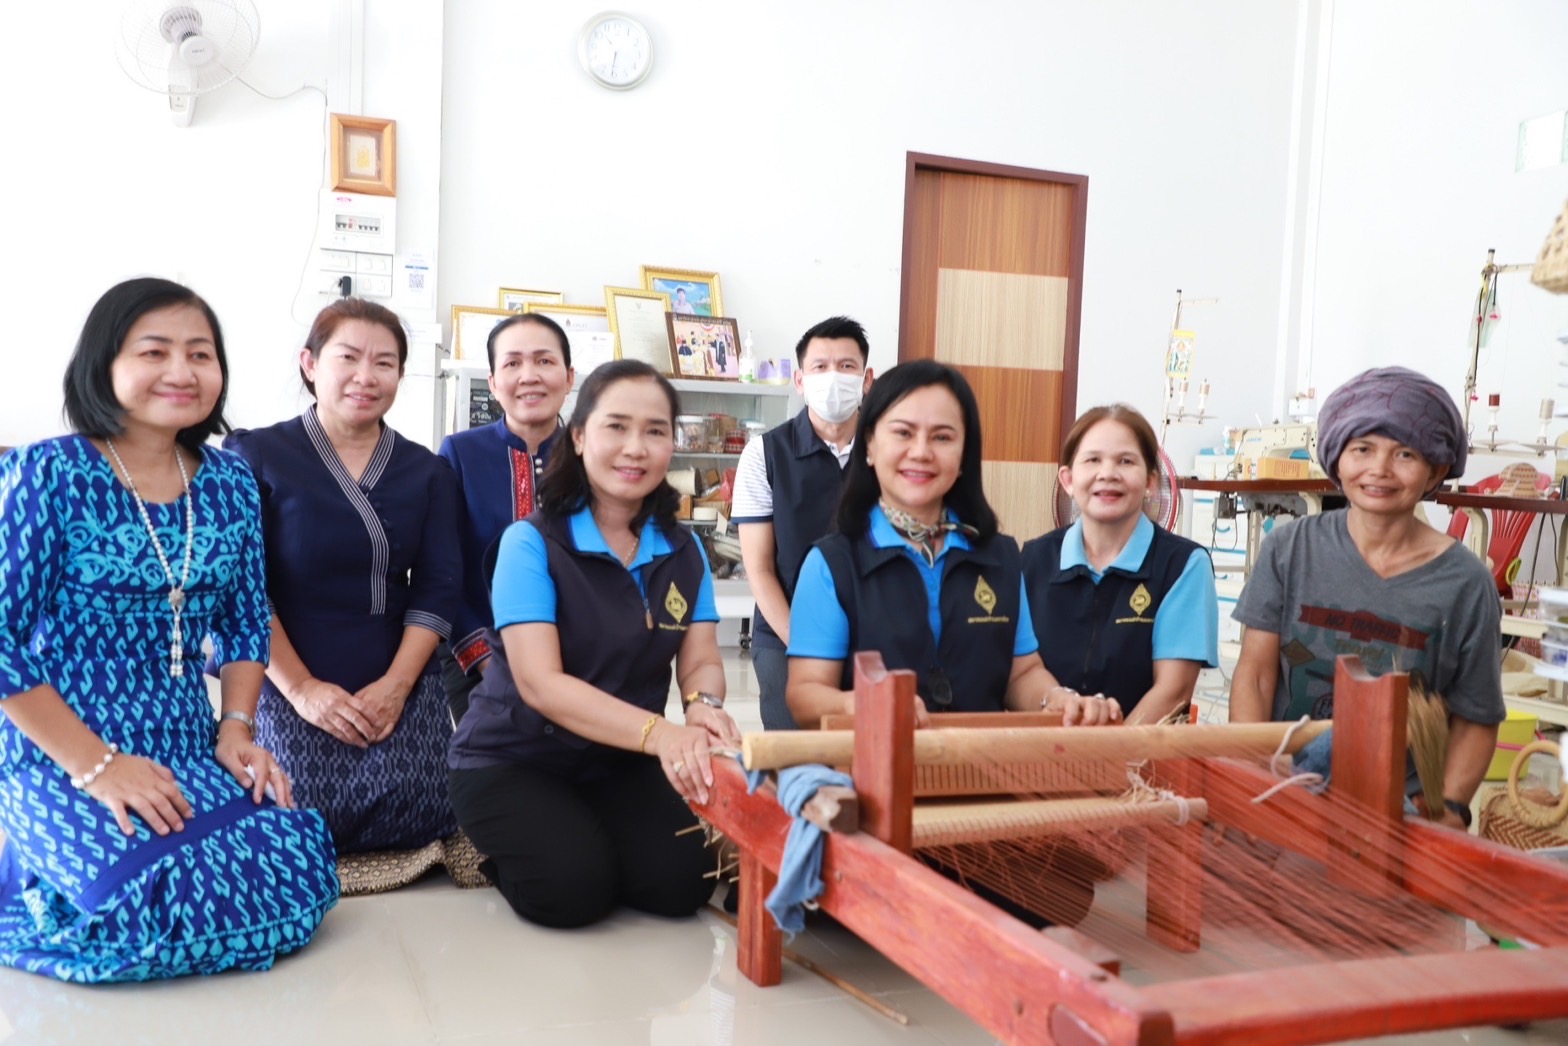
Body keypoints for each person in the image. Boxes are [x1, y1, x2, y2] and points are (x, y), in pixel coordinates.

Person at [0, 278, 337, 982]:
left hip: (185, 741)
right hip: (64, 748)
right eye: (154, 352)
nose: (182, 372)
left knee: (292, 873)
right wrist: (98, 767)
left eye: (200, 354)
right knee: (143, 914)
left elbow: (246, 619)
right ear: (104, 365)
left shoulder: (230, 483)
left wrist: (236, 731)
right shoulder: (49, 473)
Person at [448, 359, 742, 929]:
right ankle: (503, 847)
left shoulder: (684, 550)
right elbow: (540, 684)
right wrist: (661, 733)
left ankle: (582, 831)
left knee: (683, 883)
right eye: (617, 427)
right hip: (514, 757)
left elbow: (702, 658)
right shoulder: (530, 543)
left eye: (655, 431)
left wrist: (703, 706)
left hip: (617, 757)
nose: (636, 448)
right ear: (580, 436)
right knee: (571, 892)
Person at [226, 298, 461, 857]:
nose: (366, 376)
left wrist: (397, 687)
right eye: (348, 357)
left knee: (427, 807)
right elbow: (242, 590)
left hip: (397, 669)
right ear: (310, 363)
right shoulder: (255, 455)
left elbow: (438, 585)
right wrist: (303, 691)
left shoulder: (427, 470)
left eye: (384, 363)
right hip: (286, 667)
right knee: (292, 816)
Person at [1230, 366, 1503, 829]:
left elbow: (1476, 717)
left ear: (1436, 469)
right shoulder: (1290, 549)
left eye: (1405, 454)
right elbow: (1255, 675)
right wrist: (1254, 773)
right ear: (1336, 458)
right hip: (1287, 786)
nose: (1379, 469)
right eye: (1362, 449)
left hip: (1400, 813)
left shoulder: (1466, 583)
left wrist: (1451, 808)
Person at [785, 360, 1122, 729]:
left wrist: (1057, 699)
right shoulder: (831, 564)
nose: (921, 452)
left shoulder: (1000, 556)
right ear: (869, 445)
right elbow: (805, 693)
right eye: (903, 433)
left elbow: (1022, 672)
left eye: (942, 437)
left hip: (978, 760)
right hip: (871, 761)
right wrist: (859, 704)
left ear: (964, 455)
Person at [1022, 404, 1219, 724]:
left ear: (1151, 481)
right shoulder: (1033, 560)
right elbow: (1021, 671)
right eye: (1093, 460)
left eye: (1126, 461)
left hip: (1140, 752)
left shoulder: (1184, 566)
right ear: (1068, 480)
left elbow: (1173, 690)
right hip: (1044, 749)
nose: (1108, 474)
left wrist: (1112, 752)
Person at [732, 316, 874, 729]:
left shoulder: (887, 452)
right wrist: (807, 646)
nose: (833, 377)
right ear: (799, 380)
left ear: (867, 379)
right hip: (786, 630)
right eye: (820, 367)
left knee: (874, 744)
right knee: (797, 745)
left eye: (846, 366)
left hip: (873, 629)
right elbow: (759, 569)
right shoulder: (764, 454)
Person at [438, 313, 574, 723]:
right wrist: (487, 661)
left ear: (569, 377)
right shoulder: (460, 453)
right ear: (494, 382)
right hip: (477, 656)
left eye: (544, 361)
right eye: (513, 363)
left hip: (578, 660)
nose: (529, 376)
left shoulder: (592, 456)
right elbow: (443, 570)